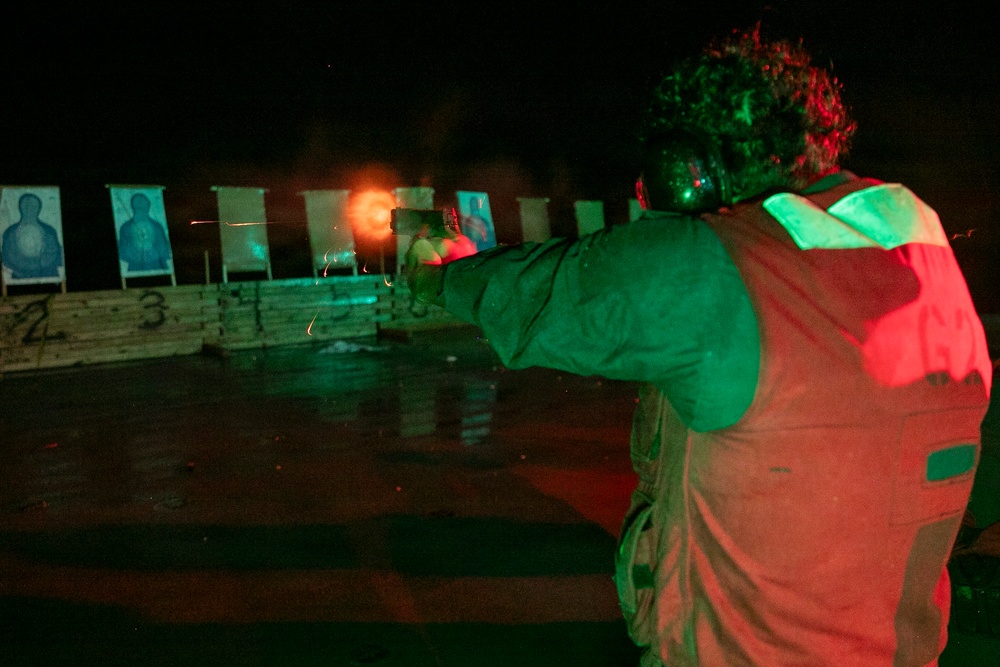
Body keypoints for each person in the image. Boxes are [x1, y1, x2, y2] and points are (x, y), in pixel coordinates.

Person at [404, 27, 992, 666]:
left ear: (689, 170)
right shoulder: (927, 257)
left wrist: (440, 274)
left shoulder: (725, 268)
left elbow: (549, 294)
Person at [1, 192, 64, 279]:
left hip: (47, 274)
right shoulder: (10, 232)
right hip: (19, 275)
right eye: (26, 206)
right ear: (20, 208)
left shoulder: (49, 231)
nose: (29, 210)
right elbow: (7, 255)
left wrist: (40, 263)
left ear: (38, 208)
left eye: (33, 206)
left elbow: (54, 253)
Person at [117, 192, 172, 272]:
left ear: (148, 206)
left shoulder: (157, 226)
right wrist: (137, 256)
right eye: (138, 205)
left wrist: (155, 254)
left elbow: (164, 248)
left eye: (143, 204)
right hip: (136, 269)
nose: (141, 207)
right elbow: (122, 251)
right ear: (133, 207)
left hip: (158, 267)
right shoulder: (126, 227)